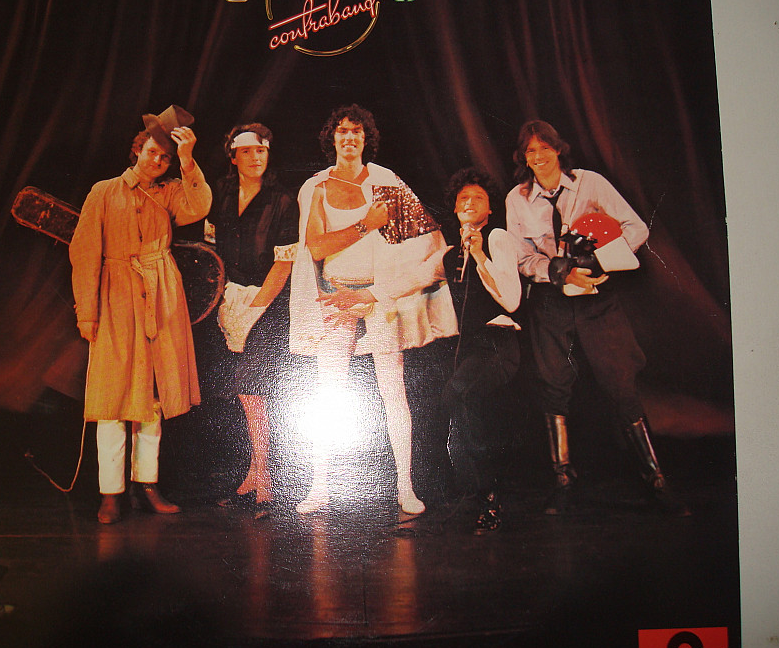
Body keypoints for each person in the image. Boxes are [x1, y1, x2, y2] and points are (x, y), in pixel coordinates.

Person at [503, 119, 687, 515]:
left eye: (545, 148)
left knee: (621, 381)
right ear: (524, 158)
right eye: (531, 151)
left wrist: (601, 260)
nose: (539, 156)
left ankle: (656, 479)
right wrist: (557, 272)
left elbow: (635, 228)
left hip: (597, 298)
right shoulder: (517, 198)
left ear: (558, 149)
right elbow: (521, 257)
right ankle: (563, 482)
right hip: (551, 301)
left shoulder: (591, 183)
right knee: (553, 385)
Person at [289, 104, 458, 515]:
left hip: (379, 298)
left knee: (393, 391)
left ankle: (406, 487)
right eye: (342, 131)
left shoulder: (386, 180)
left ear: (366, 139)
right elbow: (316, 247)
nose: (349, 137)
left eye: (357, 131)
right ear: (332, 138)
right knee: (328, 392)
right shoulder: (317, 187)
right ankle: (319, 487)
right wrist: (366, 224)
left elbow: (422, 240)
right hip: (336, 297)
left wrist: (390, 286)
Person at [70, 106, 212, 524]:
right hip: (115, 297)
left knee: (153, 397)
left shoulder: (169, 192)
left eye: (165, 158)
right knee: (112, 399)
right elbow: (84, 253)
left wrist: (187, 159)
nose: (157, 161)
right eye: (152, 152)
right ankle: (110, 493)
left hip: (161, 295)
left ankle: (146, 485)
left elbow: (199, 205)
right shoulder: (104, 191)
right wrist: (87, 312)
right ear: (137, 150)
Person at [207, 123, 298, 519]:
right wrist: (223, 299)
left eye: (261, 150)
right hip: (229, 300)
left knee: (253, 391)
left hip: (267, 306)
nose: (255, 157)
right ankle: (254, 475)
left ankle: (266, 481)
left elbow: (284, 263)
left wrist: (255, 307)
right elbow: (210, 248)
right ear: (233, 157)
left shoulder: (283, 200)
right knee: (248, 395)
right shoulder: (221, 195)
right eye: (246, 151)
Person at [441, 169, 521, 532]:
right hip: (470, 347)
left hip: (498, 344)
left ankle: (489, 496)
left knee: (461, 396)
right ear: (454, 207)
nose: (470, 203)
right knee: (459, 405)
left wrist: (480, 254)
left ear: (489, 209)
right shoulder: (451, 253)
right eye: (463, 198)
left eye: (478, 198)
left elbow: (511, 300)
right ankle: (479, 494)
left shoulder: (497, 238)